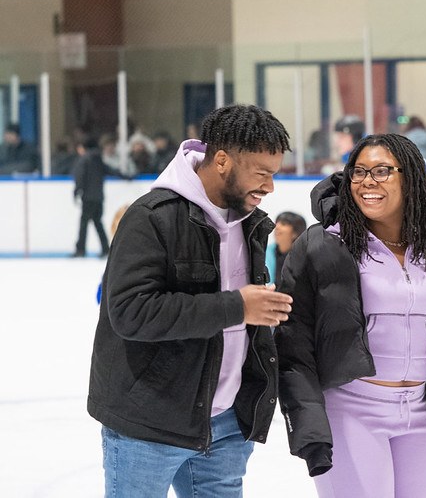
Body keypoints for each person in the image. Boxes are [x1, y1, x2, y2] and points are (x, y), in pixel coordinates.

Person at [274, 133, 426, 498]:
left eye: (382, 171)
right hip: (351, 412)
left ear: (410, 177)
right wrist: (309, 427)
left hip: (416, 416)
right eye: (359, 172)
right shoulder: (324, 245)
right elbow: (293, 343)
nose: (367, 181)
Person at [87, 104, 294, 498]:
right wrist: (236, 306)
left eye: (274, 174)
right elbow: (130, 313)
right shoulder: (151, 217)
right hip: (148, 423)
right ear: (221, 161)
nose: (270, 187)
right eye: (261, 173)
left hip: (228, 425)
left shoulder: (250, 221)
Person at [71, 137, 129, 258]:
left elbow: (80, 176)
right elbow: (110, 170)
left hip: (88, 198)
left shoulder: (84, 160)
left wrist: (77, 191)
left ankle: (81, 249)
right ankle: (105, 248)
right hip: (98, 197)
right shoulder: (98, 160)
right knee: (97, 222)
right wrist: (126, 176)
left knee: (84, 223)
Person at [266, 211, 307, 284]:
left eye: (283, 224)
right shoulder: (265, 252)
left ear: (295, 232)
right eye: (276, 223)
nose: (277, 227)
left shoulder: (306, 255)